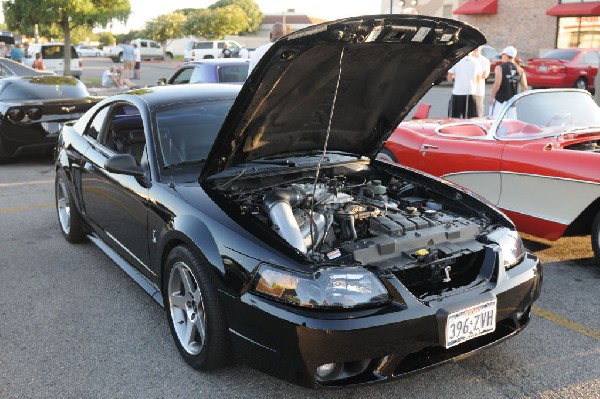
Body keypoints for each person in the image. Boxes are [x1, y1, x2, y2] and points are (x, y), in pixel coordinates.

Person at [489, 46, 528, 118]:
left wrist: (492, 96)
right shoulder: (520, 69)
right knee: (511, 124)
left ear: (506, 55)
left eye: (503, 55)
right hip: (512, 101)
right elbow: (525, 87)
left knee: (495, 122)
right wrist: (519, 98)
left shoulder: (500, 67)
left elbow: (497, 83)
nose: (502, 57)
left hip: (500, 100)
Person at [447, 50, 483, 118]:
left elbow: (449, 77)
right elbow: (478, 78)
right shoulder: (476, 61)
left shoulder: (456, 61)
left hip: (458, 92)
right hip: (471, 92)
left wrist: (455, 78)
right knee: (469, 117)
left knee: (454, 117)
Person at [471, 46, 491, 117]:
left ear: (481, 48)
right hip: (466, 91)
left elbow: (485, 75)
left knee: (478, 111)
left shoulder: (484, 60)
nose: (475, 49)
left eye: (478, 47)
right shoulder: (467, 59)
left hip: (478, 90)